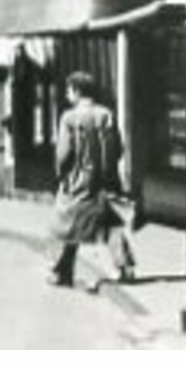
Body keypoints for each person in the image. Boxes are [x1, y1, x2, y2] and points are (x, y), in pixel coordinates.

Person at [48, 71, 135, 288]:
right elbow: (119, 148)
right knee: (110, 221)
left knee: (68, 223)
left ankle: (62, 271)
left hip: (78, 181)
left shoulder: (69, 117)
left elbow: (63, 154)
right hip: (106, 180)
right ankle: (125, 267)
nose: (68, 95)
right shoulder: (107, 114)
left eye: (69, 90)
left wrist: (61, 175)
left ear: (77, 91)